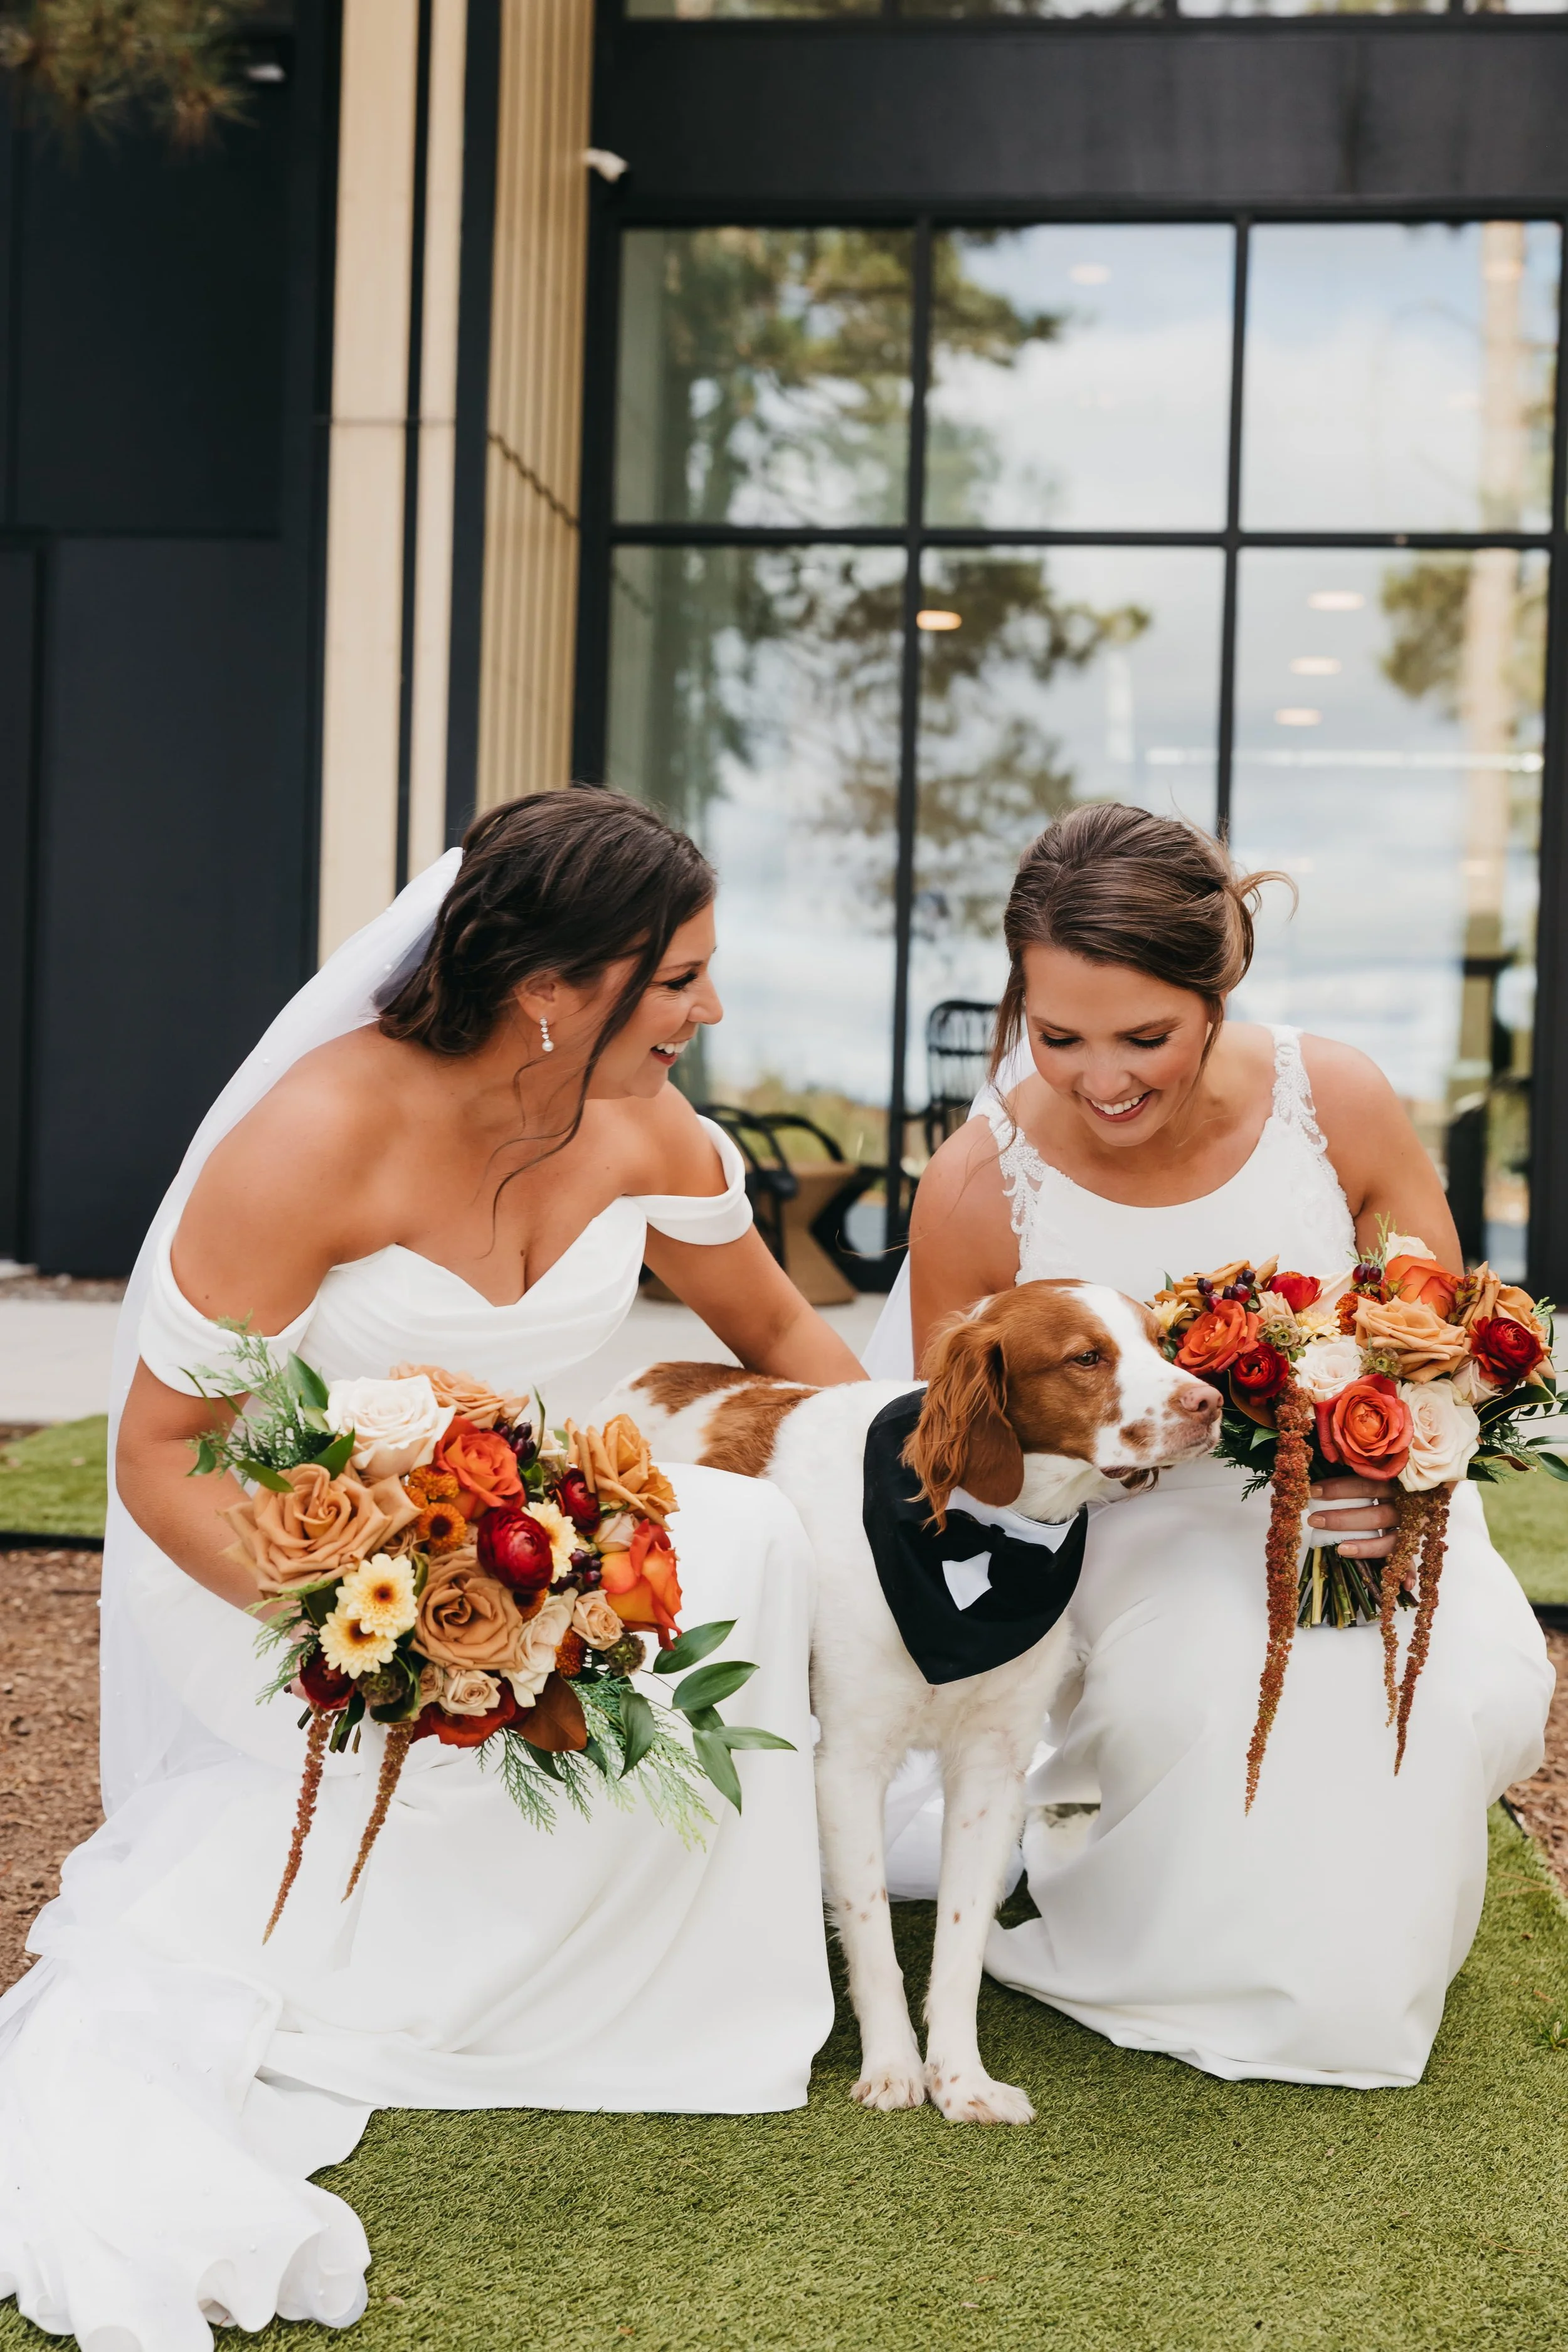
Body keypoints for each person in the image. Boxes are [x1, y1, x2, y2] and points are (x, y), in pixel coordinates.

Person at [0, 790, 859, 2352]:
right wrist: (351, 1633)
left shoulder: (647, 1126)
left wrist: (891, 1496)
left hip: (517, 1545)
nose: (710, 1011)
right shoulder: (322, 1133)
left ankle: (662, 1978)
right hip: (301, 1575)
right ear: (555, 986)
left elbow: (789, 1342)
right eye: (677, 983)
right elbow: (162, 1452)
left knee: (737, 1532)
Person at [871, 801, 1552, 2089]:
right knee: (1215, 1672)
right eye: (1055, 1035)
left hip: (1367, 1494)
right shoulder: (977, 1178)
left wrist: (1381, 1466)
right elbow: (959, 1447)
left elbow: (1440, 1330)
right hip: (1130, 1526)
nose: (1100, 1077)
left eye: (1146, 1036)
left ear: (1216, 990)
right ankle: (1163, 1942)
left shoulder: (1331, 1096)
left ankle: (1355, 1957)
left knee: (1453, 1688)